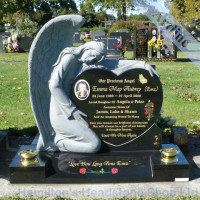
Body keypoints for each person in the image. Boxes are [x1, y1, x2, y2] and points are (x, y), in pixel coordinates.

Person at [49, 41, 106, 153]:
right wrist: (72, 110)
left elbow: (114, 64)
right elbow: (53, 85)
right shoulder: (70, 58)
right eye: (93, 55)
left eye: (96, 58)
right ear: (86, 48)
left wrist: (142, 65)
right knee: (94, 145)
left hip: (74, 110)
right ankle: (56, 142)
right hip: (62, 112)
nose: (92, 59)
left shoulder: (82, 61)